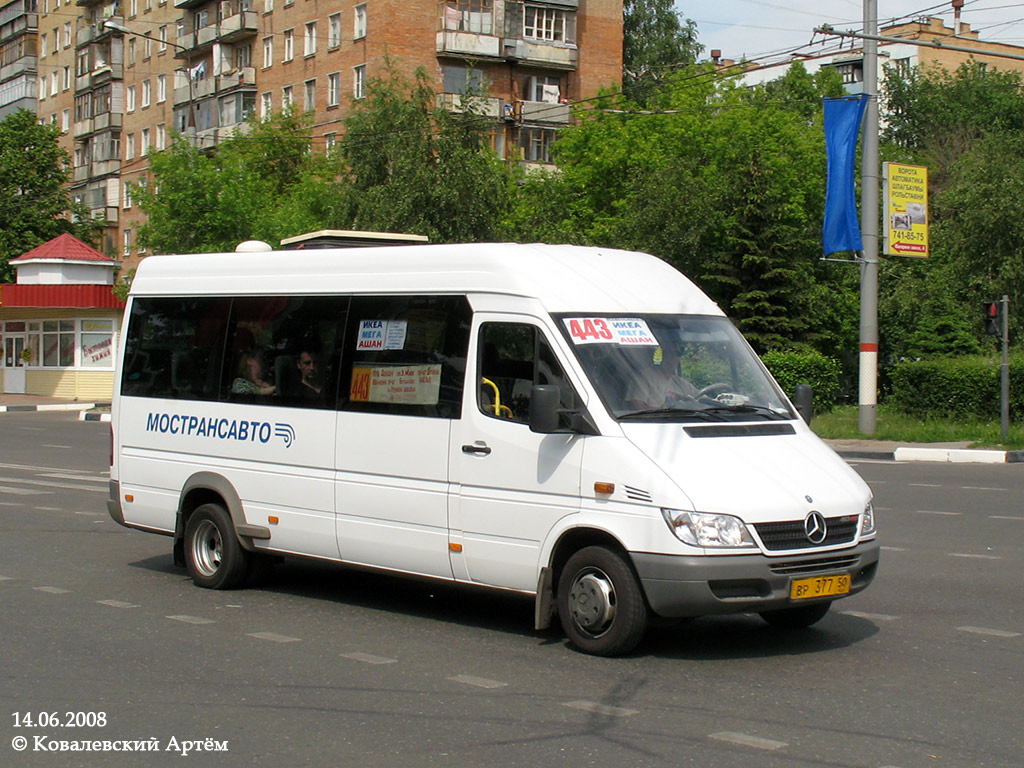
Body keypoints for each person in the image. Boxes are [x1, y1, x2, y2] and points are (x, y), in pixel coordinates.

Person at [624, 343, 697, 409]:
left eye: (677, 354)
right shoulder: (643, 377)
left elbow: (703, 399)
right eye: (668, 353)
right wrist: (668, 413)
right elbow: (637, 408)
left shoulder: (680, 383)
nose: (672, 358)